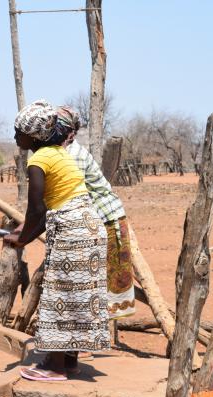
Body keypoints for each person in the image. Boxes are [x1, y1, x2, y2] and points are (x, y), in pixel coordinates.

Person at [4, 100, 109, 381]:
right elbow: (46, 210)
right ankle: (70, 361)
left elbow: (37, 209)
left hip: (73, 229)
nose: (15, 137)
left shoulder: (38, 160)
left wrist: (21, 240)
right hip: (88, 225)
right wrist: (24, 234)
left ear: (33, 135)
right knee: (76, 295)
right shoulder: (58, 153)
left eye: (19, 132)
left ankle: (55, 366)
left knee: (61, 294)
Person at [55, 106, 135, 320]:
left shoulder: (72, 155)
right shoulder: (63, 153)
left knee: (91, 284)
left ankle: (85, 346)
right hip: (94, 220)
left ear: (68, 133)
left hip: (106, 221)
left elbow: (69, 196)